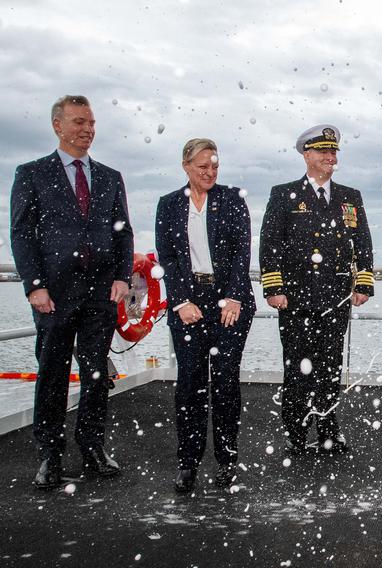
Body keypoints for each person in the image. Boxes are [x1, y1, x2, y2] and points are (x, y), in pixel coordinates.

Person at [9, 95, 133, 489]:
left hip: (100, 293)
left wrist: (122, 277)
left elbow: (123, 233)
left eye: (92, 122)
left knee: (96, 375)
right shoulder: (31, 174)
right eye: (79, 122)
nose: (88, 129)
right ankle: (50, 454)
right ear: (57, 126)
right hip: (55, 293)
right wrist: (35, 286)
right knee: (52, 375)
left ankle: (93, 448)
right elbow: (21, 235)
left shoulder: (111, 177)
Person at [259, 124, 374, 455]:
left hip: (336, 297)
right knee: (297, 366)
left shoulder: (349, 197)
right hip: (295, 298)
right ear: (306, 155)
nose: (330, 156)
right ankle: (296, 431)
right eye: (323, 151)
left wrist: (363, 282)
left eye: (334, 151)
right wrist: (274, 287)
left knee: (330, 365)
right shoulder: (284, 195)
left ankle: (327, 428)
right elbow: (271, 245)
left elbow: (362, 243)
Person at [155, 139, 255, 493]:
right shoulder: (168, 205)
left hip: (229, 303)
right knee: (190, 385)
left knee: (226, 382)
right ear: (186, 166)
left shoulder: (232, 199)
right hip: (189, 305)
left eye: (215, 166)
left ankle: (227, 461)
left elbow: (243, 250)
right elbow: (167, 257)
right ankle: (188, 464)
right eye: (202, 167)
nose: (210, 173)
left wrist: (232, 298)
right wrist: (181, 302)